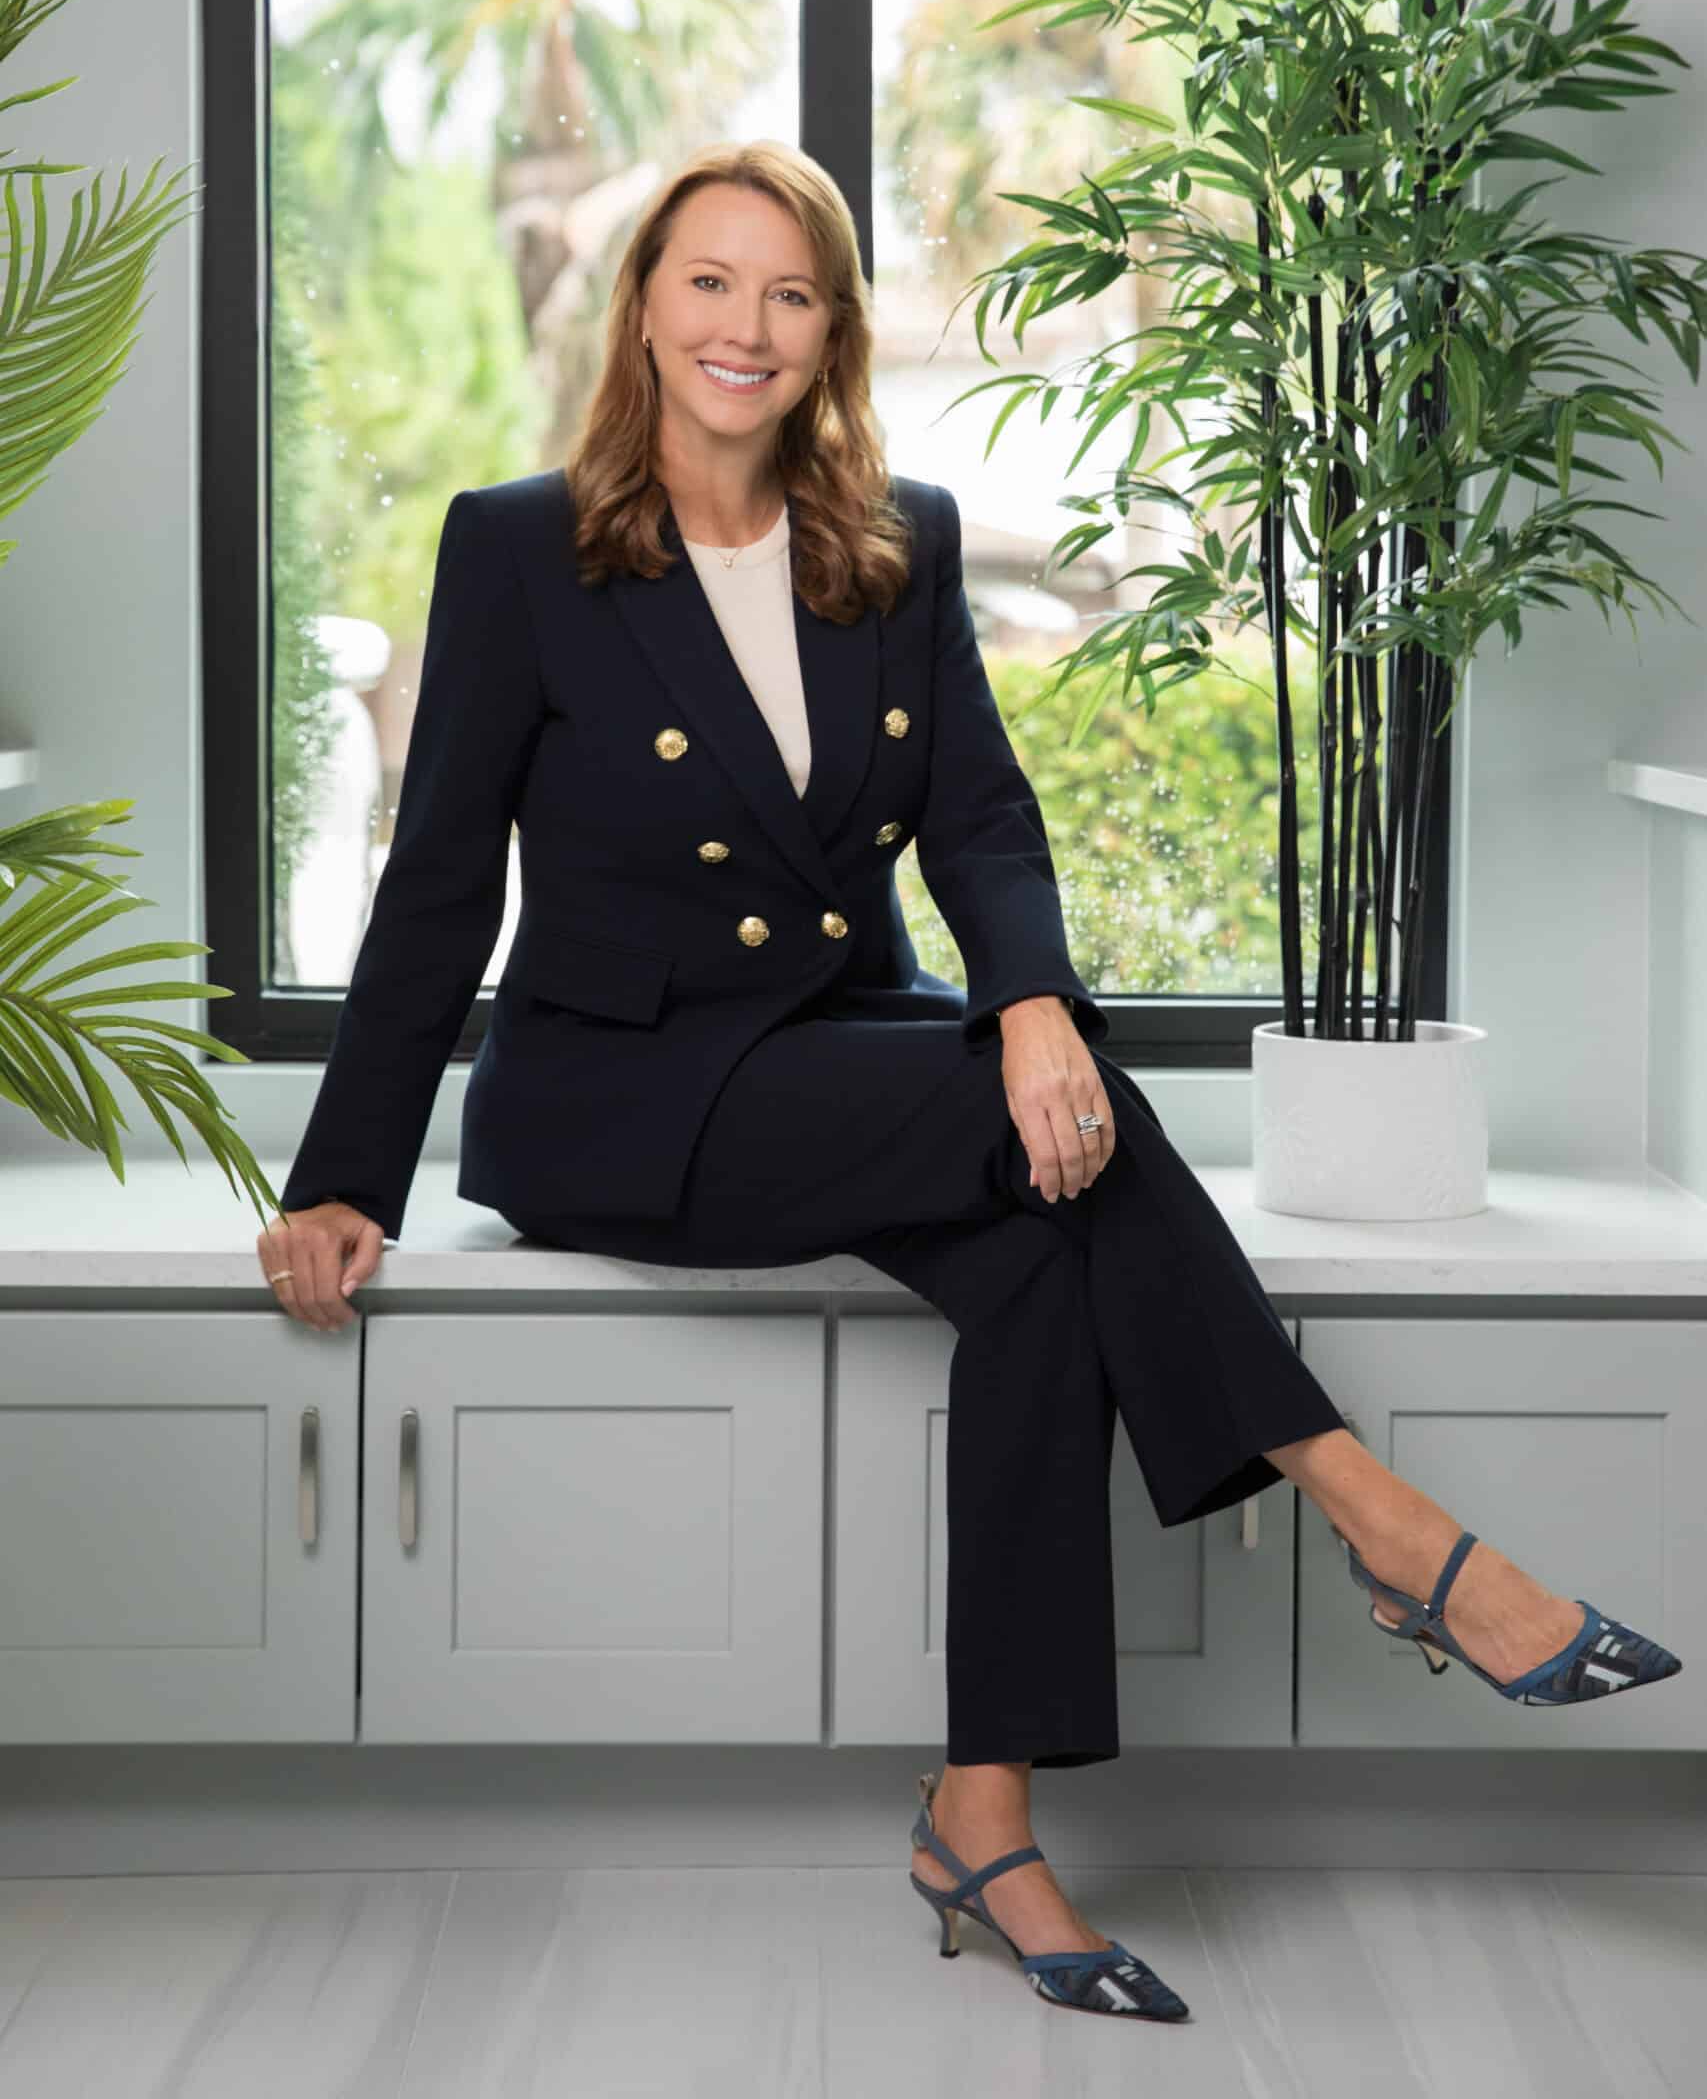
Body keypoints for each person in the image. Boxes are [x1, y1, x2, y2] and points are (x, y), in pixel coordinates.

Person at [256, 139, 1681, 2027]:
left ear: (833, 325)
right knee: (1090, 1133)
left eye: (789, 291)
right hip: (618, 1096)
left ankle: (982, 1819)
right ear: (643, 309)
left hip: (840, 1050)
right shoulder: (522, 544)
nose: (743, 325)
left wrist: (1026, 1008)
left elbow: (987, 826)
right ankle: (1387, 1525)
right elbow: (437, 881)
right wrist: (344, 1168)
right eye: (707, 282)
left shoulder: (895, 536)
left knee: (1042, 1257)